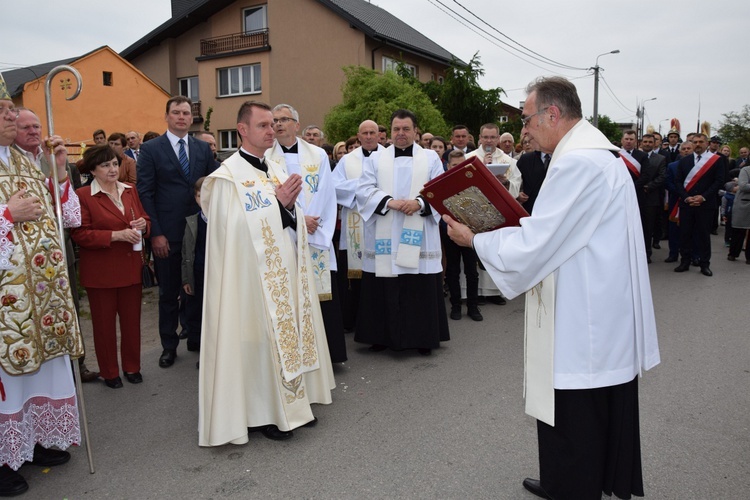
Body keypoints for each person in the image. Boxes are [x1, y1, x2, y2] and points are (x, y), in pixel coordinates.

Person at [445, 76, 660, 499]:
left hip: (584, 313)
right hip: (593, 296)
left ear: (553, 114)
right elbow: (555, 228)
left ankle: (573, 486)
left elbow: (539, 244)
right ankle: (567, 478)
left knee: (575, 405)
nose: (523, 129)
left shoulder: (578, 162)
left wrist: (476, 240)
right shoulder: (591, 154)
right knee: (584, 407)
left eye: (527, 119)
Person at [198, 100, 334, 446]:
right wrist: (278, 205)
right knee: (259, 342)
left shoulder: (274, 169)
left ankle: (294, 404)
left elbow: (291, 220)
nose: (271, 130)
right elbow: (229, 231)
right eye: (263, 125)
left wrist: (287, 209)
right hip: (250, 279)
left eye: (273, 124)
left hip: (283, 271)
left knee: (287, 334)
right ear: (242, 130)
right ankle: (265, 413)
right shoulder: (227, 178)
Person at [0, 74, 85, 495]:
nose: (12, 116)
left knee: (38, 374)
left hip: (44, 294)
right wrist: (6, 216)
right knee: (8, 378)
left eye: (11, 109)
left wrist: (57, 172)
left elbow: (68, 218)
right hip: (7, 303)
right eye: (4, 112)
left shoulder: (21, 160)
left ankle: (30, 442)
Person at [12, 107, 98, 383]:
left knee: (67, 309)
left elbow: (69, 215)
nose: (34, 131)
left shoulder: (54, 160)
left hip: (58, 256)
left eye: (37, 126)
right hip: (21, 261)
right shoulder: (11, 164)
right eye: (25, 127)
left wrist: (59, 169)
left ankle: (75, 364)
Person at [355, 109, 449, 355]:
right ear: (390, 131)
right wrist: (388, 202)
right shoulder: (376, 158)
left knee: (417, 285)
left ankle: (422, 338)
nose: (400, 134)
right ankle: (381, 336)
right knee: (384, 283)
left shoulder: (430, 158)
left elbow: (441, 189)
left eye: (406, 129)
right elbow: (363, 190)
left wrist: (419, 203)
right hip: (386, 230)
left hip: (419, 231)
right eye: (396, 129)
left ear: (416, 131)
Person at [136, 96, 218, 368]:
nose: (182, 117)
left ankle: (198, 338)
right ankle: (169, 346)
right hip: (167, 234)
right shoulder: (150, 149)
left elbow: (213, 185)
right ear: (167, 116)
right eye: (176, 112)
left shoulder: (202, 149)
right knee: (169, 293)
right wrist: (155, 233)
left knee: (202, 289)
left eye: (185, 113)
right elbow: (145, 193)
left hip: (200, 233)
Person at [267, 104, 346, 363]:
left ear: (296, 124)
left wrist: (315, 225)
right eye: (274, 120)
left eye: (284, 120)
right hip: (284, 233)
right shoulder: (266, 156)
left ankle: (327, 355)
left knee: (320, 295)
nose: (278, 124)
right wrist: (300, 220)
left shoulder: (318, 155)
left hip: (316, 236)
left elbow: (327, 193)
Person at [73, 145, 150, 388]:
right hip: (101, 273)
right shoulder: (83, 195)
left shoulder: (130, 190)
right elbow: (80, 234)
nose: (112, 169)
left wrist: (143, 224)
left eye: (115, 164)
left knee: (131, 322)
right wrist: (116, 236)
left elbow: (144, 218)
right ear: (93, 170)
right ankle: (110, 372)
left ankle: (132, 367)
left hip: (130, 268)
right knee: (104, 326)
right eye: (106, 165)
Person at [332, 119, 384, 331]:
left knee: (379, 275)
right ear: (359, 136)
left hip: (381, 223)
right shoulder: (347, 160)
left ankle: (379, 320)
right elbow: (334, 186)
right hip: (355, 225)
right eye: (365, 133)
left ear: (380, 135)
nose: (369, 136)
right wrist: (364, 188)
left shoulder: (388, 157)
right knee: (354, 278)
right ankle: (352, 321)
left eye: (373, 132)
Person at [673, 133, 726, 276]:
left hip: (706, 204)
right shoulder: (684, 161)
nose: (697, 144)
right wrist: (686, 198)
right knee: (685, 234)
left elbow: (719, 181)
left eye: (701, 142)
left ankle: (704, 264)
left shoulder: (716, 160)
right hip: (687, 204)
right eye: (695, 142)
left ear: (707, 143)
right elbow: (677, 182)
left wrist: (703, 197)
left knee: (703, 235)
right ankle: (685, 261)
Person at [442, 149, 481, 321]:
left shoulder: (473, 181)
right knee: (452, 270)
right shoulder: (441, 183)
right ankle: (456, 305)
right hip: (449, 231)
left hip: (470, 232)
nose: (458, 168)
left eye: (462, 164)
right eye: (454, 165)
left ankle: (473, 306)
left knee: (472, 271)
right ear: (448, 166)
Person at [181, 177, 207, 357]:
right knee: (195, 307)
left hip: (215, 272)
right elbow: (186, 253)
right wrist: (186, 279)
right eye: (200, 196)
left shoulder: (222, 220)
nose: (203, 200)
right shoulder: (192, 221)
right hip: (197, 272)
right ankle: (196, 340)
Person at [727, 164, 750, 263]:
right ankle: (733, 253)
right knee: (738, 230)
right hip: (744, 204)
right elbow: (743, 186)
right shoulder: (746, 170)